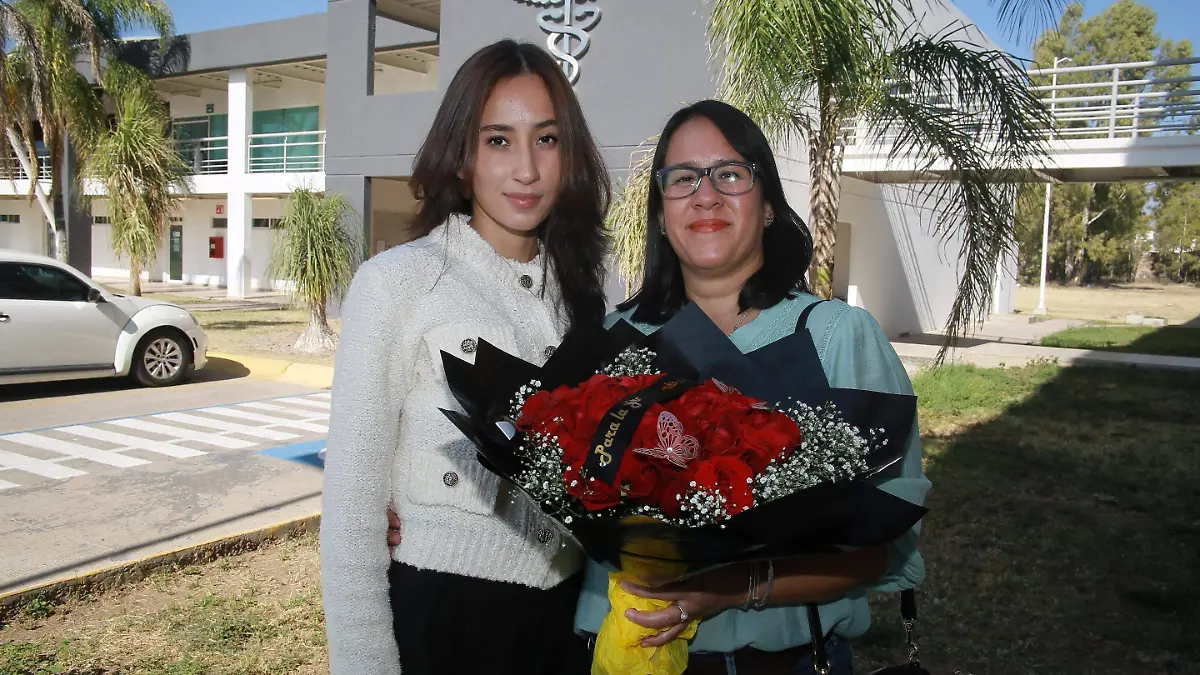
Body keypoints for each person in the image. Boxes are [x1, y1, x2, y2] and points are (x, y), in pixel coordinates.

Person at [571, 99, 931, 675]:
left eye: (730, 174)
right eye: (683, 178)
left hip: (784, 662)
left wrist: (735, 587)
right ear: (661, 213)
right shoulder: (607, 342)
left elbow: (880, 545)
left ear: (766, 206)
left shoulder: (839, 337)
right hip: (622, 655)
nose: (705, 195)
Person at [320, 39, 609, 675]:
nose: (526, 169)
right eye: (499, 140)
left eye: (548, 139)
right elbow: (351, 502)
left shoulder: (586, 296)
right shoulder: (398, 282)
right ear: (461, 156)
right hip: (444, 616)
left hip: (568, 620)